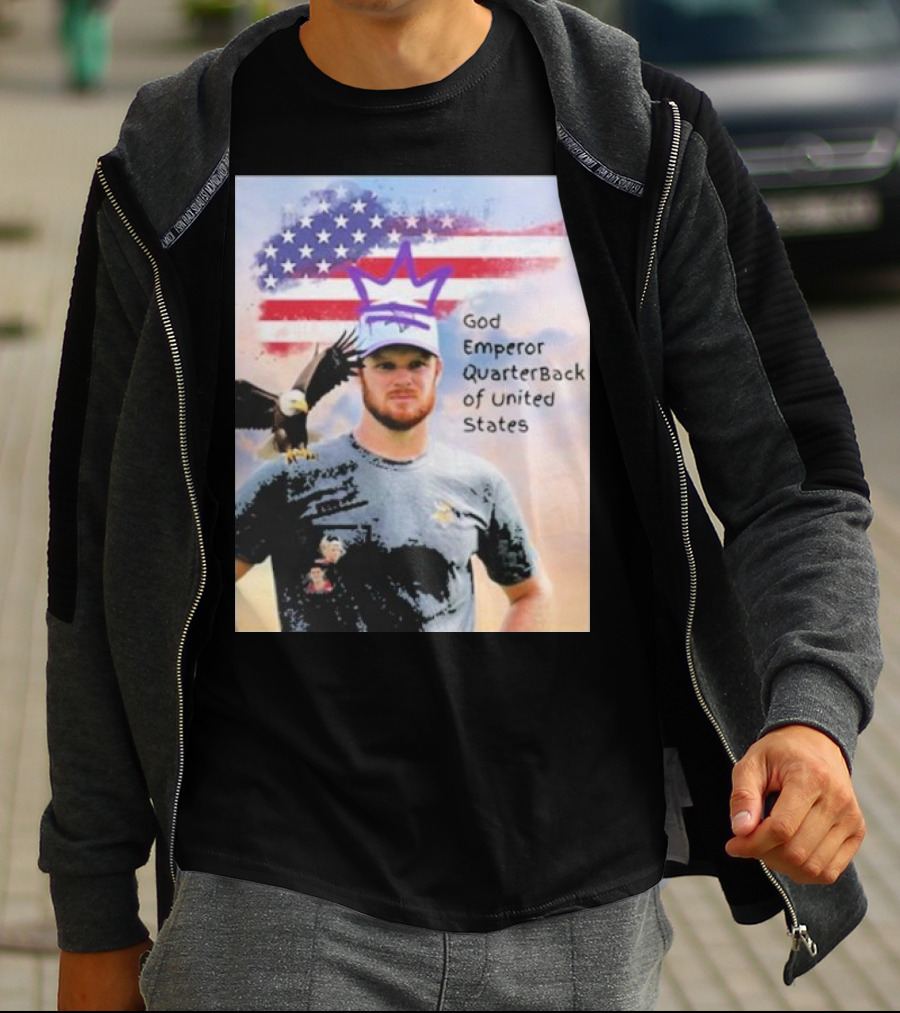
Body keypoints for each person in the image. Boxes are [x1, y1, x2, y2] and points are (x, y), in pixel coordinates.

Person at [41, 0, 881, 1010]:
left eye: (416, 357)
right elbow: (90, 560)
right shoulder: (175, 165)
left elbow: (796, 480)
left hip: (580, 899)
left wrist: (813, 715)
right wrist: (93, 908)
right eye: (381, 358)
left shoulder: (636, 136)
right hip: (269, 896)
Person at [235, 243, 548, 632]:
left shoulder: (481, 484)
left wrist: (498, 681)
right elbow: (200, 582)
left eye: (417, 364)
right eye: (385, 365)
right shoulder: (285, 479)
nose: (403, 378)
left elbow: (529, 593)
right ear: (360, 374)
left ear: (437, 371)